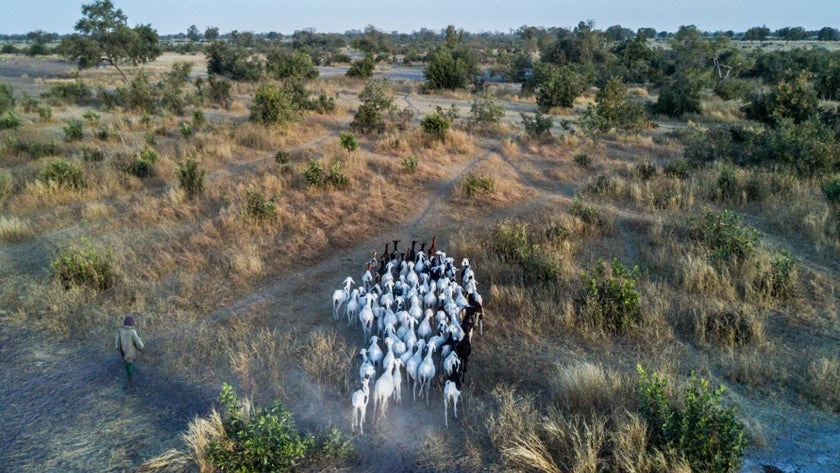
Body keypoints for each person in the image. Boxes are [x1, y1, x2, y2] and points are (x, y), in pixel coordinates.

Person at [115, 315, 144, 389]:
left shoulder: (119, 330)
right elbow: (137, 342)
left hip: (123, 352)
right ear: (132, 323)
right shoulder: (132, 331)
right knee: (130, 366)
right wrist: (141, 347)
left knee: (127, 365)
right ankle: (131, 383)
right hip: (130, 351)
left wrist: (118, 348)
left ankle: (130, 380)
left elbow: (117, 341)